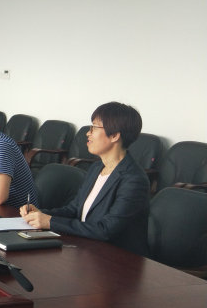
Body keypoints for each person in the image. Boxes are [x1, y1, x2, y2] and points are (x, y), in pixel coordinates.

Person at [20, 102, 150, 256]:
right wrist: (40, 214)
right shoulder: (96, 168)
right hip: (88, 249)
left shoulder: (134, 180)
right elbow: (74, 210)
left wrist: (50, 221)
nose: (88, 133)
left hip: (117, 259)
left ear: (115, 135)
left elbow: (105, 230)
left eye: (94, 127)